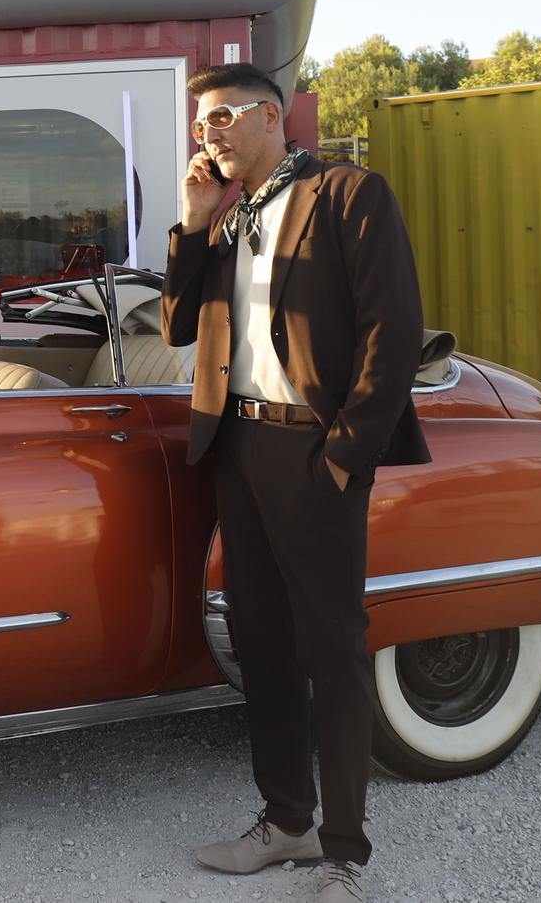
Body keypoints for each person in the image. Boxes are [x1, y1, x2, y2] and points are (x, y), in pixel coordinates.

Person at [163, 63, 429, 903]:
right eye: (202, 124)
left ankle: (344, 853)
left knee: (332, 649)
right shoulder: (228, 211)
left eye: (222, 118)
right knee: (262, 644)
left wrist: (345, 456)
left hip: (316, 451)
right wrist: (194, 222)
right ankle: (286, 821)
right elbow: (176, 324)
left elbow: (396, 334)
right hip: (237, 447)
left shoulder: (349, 192)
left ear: (271, 116)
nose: (210, 135)